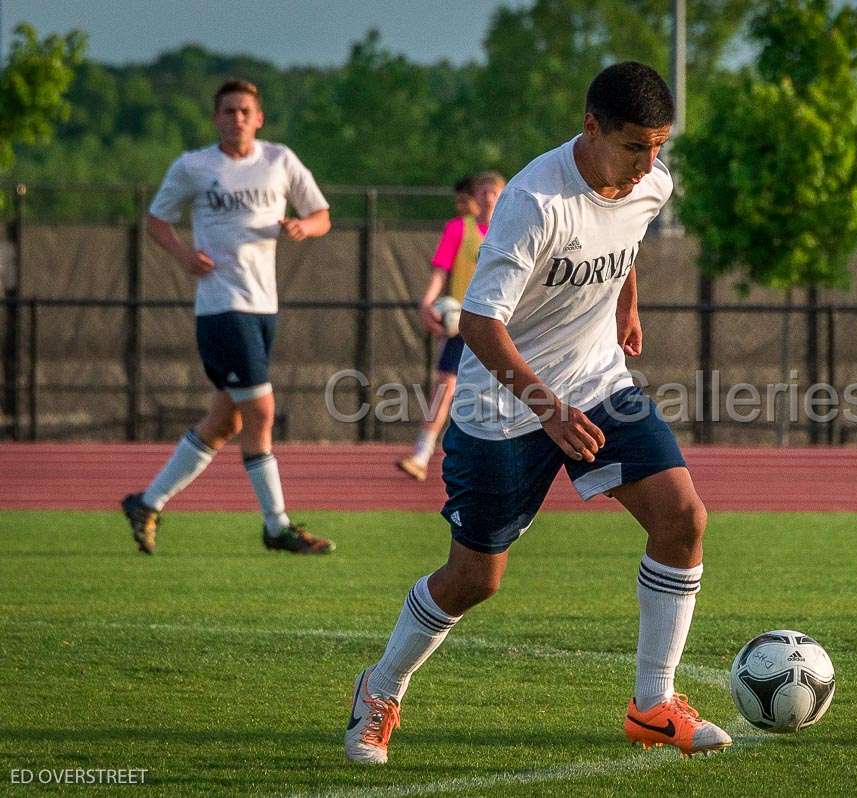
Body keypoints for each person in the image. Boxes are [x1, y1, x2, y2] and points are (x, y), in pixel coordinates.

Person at [345, 62, 732, 763]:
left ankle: (652, 705)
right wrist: (548, 411)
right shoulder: (533, 201)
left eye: (659, 146)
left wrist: (625, 303)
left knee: (684, 520)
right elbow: (479, 325)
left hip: (596, 382)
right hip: (502, 409)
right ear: (590, 127)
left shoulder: (652, 184)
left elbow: (625, 239)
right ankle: (380, 687)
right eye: (635, 147)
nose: (650, 165)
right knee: (475, 580)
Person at [120, 79, 335, 556]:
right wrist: (182, 254)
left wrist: (304, 226)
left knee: (225, 422)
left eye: (245, 111)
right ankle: (276, 525)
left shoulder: (279, 160)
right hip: (221, 307)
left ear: (258, 118)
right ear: (215, 118)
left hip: (263, 306)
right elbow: (157, 220)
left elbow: (322, 214)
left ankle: (147, 501)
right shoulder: (194, 166)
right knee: (261, 411)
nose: (236, 118)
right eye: (228, 111)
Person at [396, 171, 506, 481]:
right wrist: (427, 302)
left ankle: (502, 459)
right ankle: (421, 453)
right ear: (474, 196)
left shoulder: (512, 230)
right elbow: (440, 271)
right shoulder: (459, 229)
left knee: (506, 391)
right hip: (465, 323)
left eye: (494, 192)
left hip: (502, 324)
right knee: (445, 387)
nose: (487, 197)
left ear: (504, 196)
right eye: (482, 191)